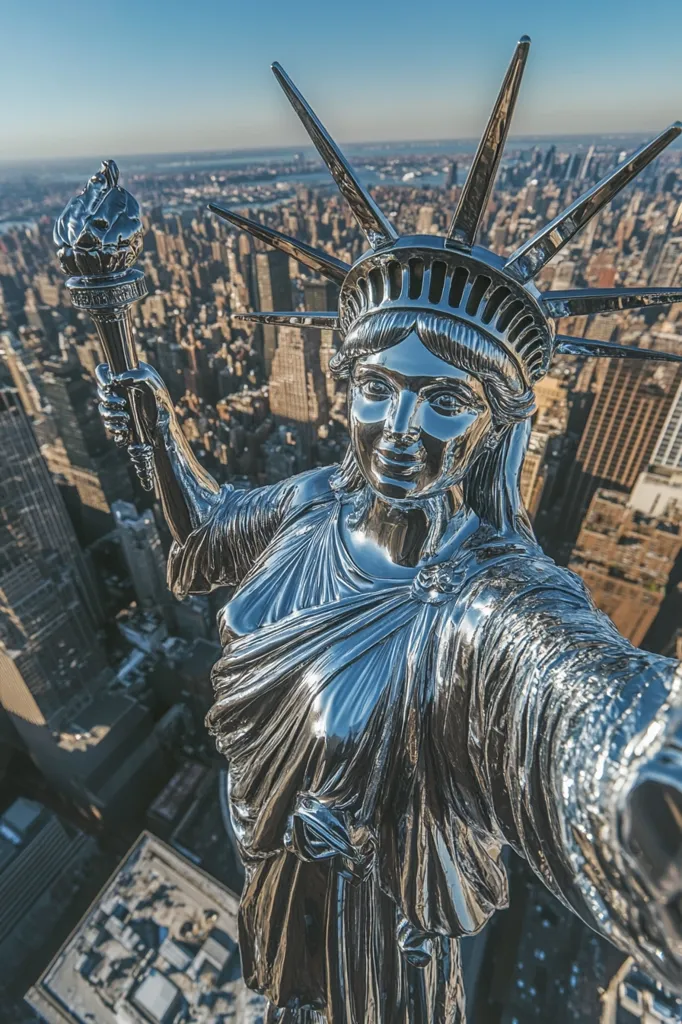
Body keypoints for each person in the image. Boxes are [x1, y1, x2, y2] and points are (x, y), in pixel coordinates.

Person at [94, 39, 682, 1024]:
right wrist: (119, 338)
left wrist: (648, 778)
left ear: (491, 424)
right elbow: (195, 541)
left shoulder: (491, 598)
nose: (401, 431)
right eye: (376, 388)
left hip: (385, 946)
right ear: (344, 390)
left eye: (444, 399)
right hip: (279, 879)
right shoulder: (313, 498)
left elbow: (583, 701)